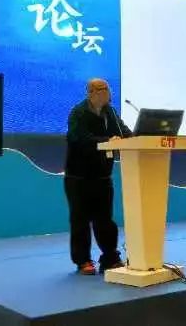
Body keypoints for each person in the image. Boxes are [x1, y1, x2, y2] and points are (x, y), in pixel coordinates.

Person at [64, 78, 133, 275]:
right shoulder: (78, 112)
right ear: (91, 93)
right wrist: (107, 140)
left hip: (103, 176)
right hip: (79, 177)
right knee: (80, 220)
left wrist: (135, 137)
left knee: (105, 220)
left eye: (107, 89)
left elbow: (123, 132)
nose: (106, 92)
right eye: (101, 89)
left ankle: (110, 258)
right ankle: (83, 260)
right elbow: (78, 139)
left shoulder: (110, 112)